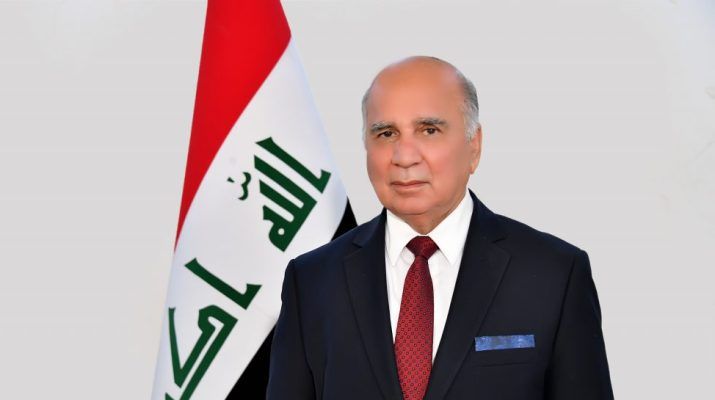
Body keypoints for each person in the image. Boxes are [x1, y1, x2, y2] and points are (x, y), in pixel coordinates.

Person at [266, 56, 614, 399]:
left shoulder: (555, 274)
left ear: (474, 146)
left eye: (429, 130)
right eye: (386, 133)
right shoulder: (312, 281)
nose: (404, 156)